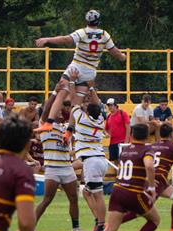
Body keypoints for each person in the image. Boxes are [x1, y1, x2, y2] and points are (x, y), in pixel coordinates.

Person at [35, 9, 126, 137]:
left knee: (61, 93)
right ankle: (69, 131)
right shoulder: (105, 35)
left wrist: (47, 39)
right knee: (77, 103)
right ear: (98, 22)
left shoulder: (82, 32)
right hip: (89, 72)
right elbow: (115, 52)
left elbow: (66, 40)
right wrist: (123, 57)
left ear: (86, 21)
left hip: (76, 67)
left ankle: (49, 122)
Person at [84, 124, 159, 231]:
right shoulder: (147, 149)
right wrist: (150, 187)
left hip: (117, 190)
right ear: (147, 137)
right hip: (133, 193)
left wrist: (143, 180)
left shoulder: (125, 150)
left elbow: (131, 171)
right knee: (154, 220)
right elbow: (149, 166)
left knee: (110, 230)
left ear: (131, 135)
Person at [121, 123, 173, 231]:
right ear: (172, 134)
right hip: (157, 180)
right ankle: (111, 225)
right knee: (141, 210)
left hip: (154, 179)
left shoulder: (153, 145)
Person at [35, 101, 89, 231]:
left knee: (74, 198)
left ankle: (76, 229)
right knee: (47, 199)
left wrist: (77, 100)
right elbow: (46, 110)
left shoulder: (65, 128)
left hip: (66, 167)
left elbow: (73, 115)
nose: (59, 112)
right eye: (57, 111)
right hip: (52, 168)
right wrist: (55, 95)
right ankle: (31, 228)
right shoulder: (45, 127)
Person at [68, 78, 108, 231]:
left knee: (97, 194)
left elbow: (73, 102)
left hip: (91, 160)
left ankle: (101, 225)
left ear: (87, 112)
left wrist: (72, 83)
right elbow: (99, 105)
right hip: (99, 159)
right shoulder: (101, 120)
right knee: (87, 193)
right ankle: (99, 222)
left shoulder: (82, 119)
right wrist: (91, 89)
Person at [105, 98, 130, 162]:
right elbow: (105, 129)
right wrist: (106, 134)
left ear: (115, 105)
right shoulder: (108, 116)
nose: (109, 107)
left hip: (122, 141)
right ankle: (117, 172)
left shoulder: (123, 113)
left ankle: (120, 172)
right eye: (108, 105)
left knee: (122, 161)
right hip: (113, 142)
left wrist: (126, 141)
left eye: (111, 105)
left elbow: (128, 127)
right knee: (115, 161)